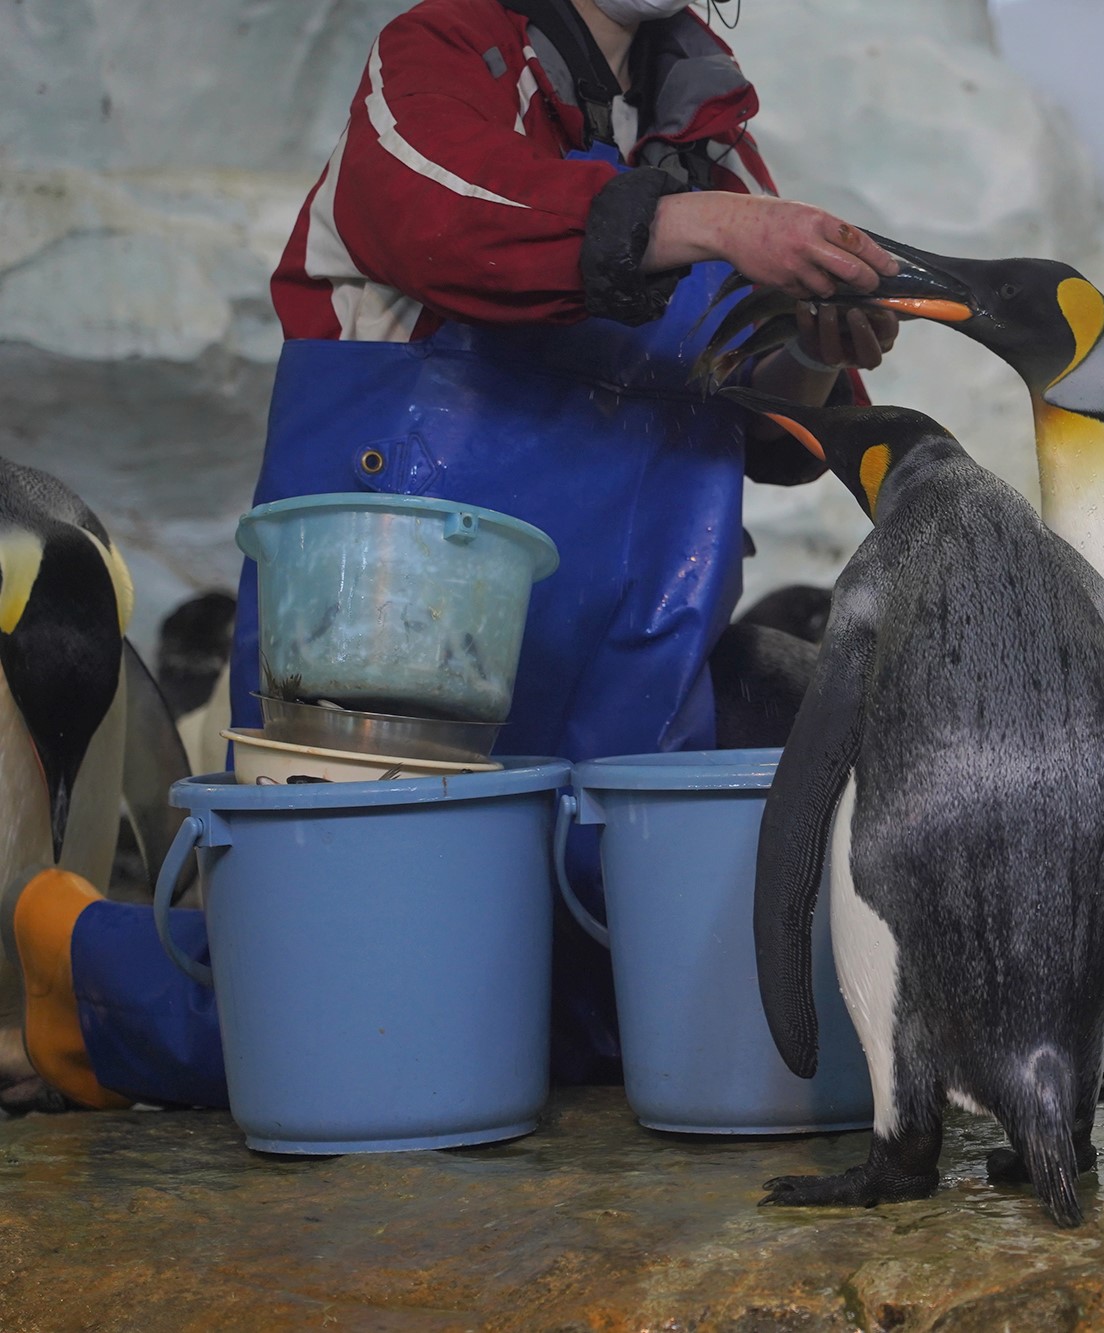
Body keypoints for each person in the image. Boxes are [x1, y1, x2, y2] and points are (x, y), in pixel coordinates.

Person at [2, 0, 902, 1111]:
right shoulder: (441, 56)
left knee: (590, 1013)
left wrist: (809, 344)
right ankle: (90, 968)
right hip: (398, 637)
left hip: (630, 662)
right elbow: (439, 212)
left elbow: (783, 432)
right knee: (348, 989)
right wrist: (707, 228)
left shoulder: (714, 147)